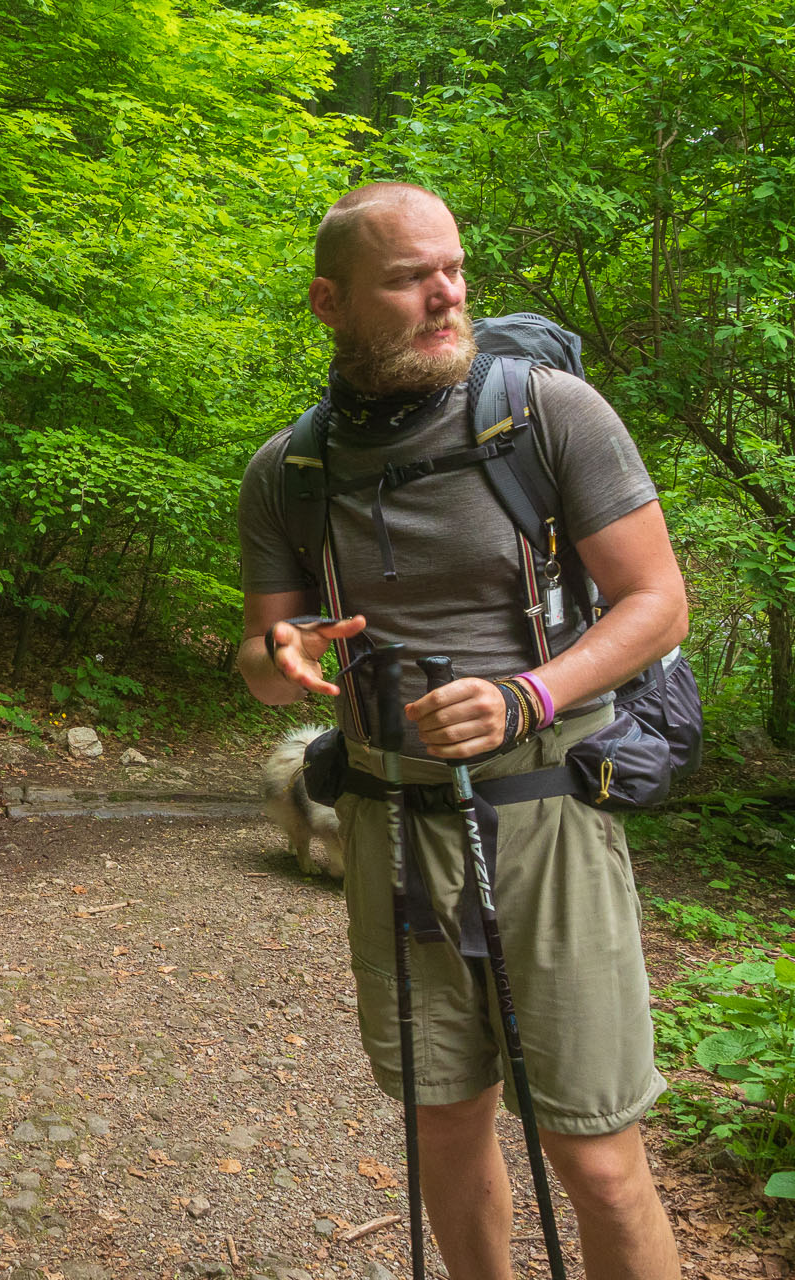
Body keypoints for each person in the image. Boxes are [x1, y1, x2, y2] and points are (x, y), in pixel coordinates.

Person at [236, 183, 687, 1279]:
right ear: (328, 302)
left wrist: (528, 694)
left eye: (455, 267)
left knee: (597, 1153)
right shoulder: (287, 471)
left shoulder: (550, 413)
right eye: (410, 277)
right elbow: (260, 656)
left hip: (546, 810)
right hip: (391, 824)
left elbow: (658, 601)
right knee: (442, 1119)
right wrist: (280, 661)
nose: (448, 295)